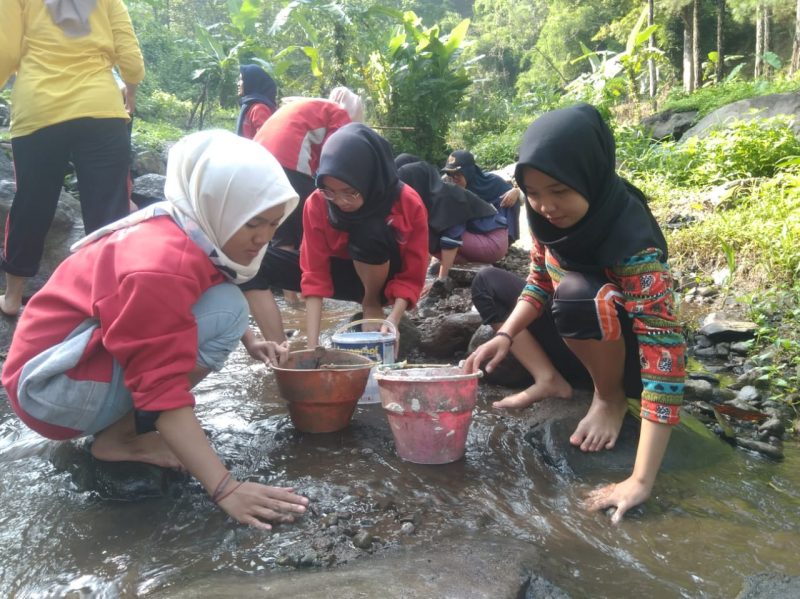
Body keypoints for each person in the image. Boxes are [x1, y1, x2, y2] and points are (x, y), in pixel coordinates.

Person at [1, 130, 308, 530]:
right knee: (230, 310)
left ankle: (120, 426)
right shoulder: (159, 267)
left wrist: (250, 340)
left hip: (60, 365)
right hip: (49, 389)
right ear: (215, 204)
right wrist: (226, 488)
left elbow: (199, 288)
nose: (264, 237)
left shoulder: (184, 224)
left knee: (229, 308)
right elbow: (160, 386)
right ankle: (120, 439)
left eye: (273, 223)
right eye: (253, 222)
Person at [463, 103, 685, 524]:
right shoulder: (547, 222)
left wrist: (640, 480)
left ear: (589, 175)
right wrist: (505, 336)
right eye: (533, 193)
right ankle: (549, 379)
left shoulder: (632, 239)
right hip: (576, 335)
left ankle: (608, 398)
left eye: (559, 191)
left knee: (579, 293)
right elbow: (538, 283)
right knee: (489, 282)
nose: (546, 206)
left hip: (623, 358)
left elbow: (664, 350)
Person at [0, 0, 145, 317]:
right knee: (109, 210)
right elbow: (130, 55)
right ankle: (108, 302)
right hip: (100, 109)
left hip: (39, 109)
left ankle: (12, 297)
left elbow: (6, 52)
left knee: (31, 204)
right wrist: (131, 89)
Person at [246, 123, 428, 346]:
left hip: (384, 279)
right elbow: (314, 272)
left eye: (350, 192)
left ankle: (371, 303)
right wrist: (312, 346)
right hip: (341, 275)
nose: (340, 201)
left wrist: (393, 320)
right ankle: (278, 350)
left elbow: (412, 274)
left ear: (369, 179)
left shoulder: (407, 202)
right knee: (254, 262)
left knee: (368, 230)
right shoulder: (318, 202)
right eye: (330, 191)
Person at [247, 90, 363, 336]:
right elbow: (337, 157)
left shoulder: (311, 106)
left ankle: (292, 301)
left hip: (258, 160)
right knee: (307, 229)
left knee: (282, 230)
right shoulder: (339, 114)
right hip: (290, 161)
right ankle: (301, 301)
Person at [395, 154, 508, 281]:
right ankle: (459, 263)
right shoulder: (433, 196)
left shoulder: (447, 196)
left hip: (493, 241)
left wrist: (441, 280)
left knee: (427, 234)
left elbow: (452, 239)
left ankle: (452, 268)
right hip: (479, 236)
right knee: (423, 231)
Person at [442, 150, 522, 245]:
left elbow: (520, 195)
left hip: (494, 226)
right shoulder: (448, 185)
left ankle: (506, 241)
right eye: (449, 173)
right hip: (468, 231)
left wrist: (516, 191)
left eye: (458, 173)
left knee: (512, 195)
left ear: (469, 171)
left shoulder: (492, 181)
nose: (454, 177)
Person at [235, 64, 278, 140]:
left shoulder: (259, 109)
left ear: (251, 82)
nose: (238, 83)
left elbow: (264, 140)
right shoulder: (248, 106)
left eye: (241, 79)